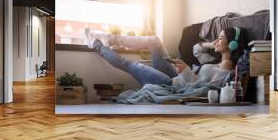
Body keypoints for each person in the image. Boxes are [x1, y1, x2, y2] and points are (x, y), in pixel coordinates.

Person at [85, 26, 246, 88]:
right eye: (216, 38)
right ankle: (111, 38)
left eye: (221, 38)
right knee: (155, 40)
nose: (216, 41)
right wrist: (213, 44)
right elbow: (196, 49)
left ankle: (96, 44)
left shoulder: (226, 66)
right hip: (179, 77)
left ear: (232, 44)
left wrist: (186, 72)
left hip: (173, 85)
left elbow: (204, 90)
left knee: (129, 64)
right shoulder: (216, 61)